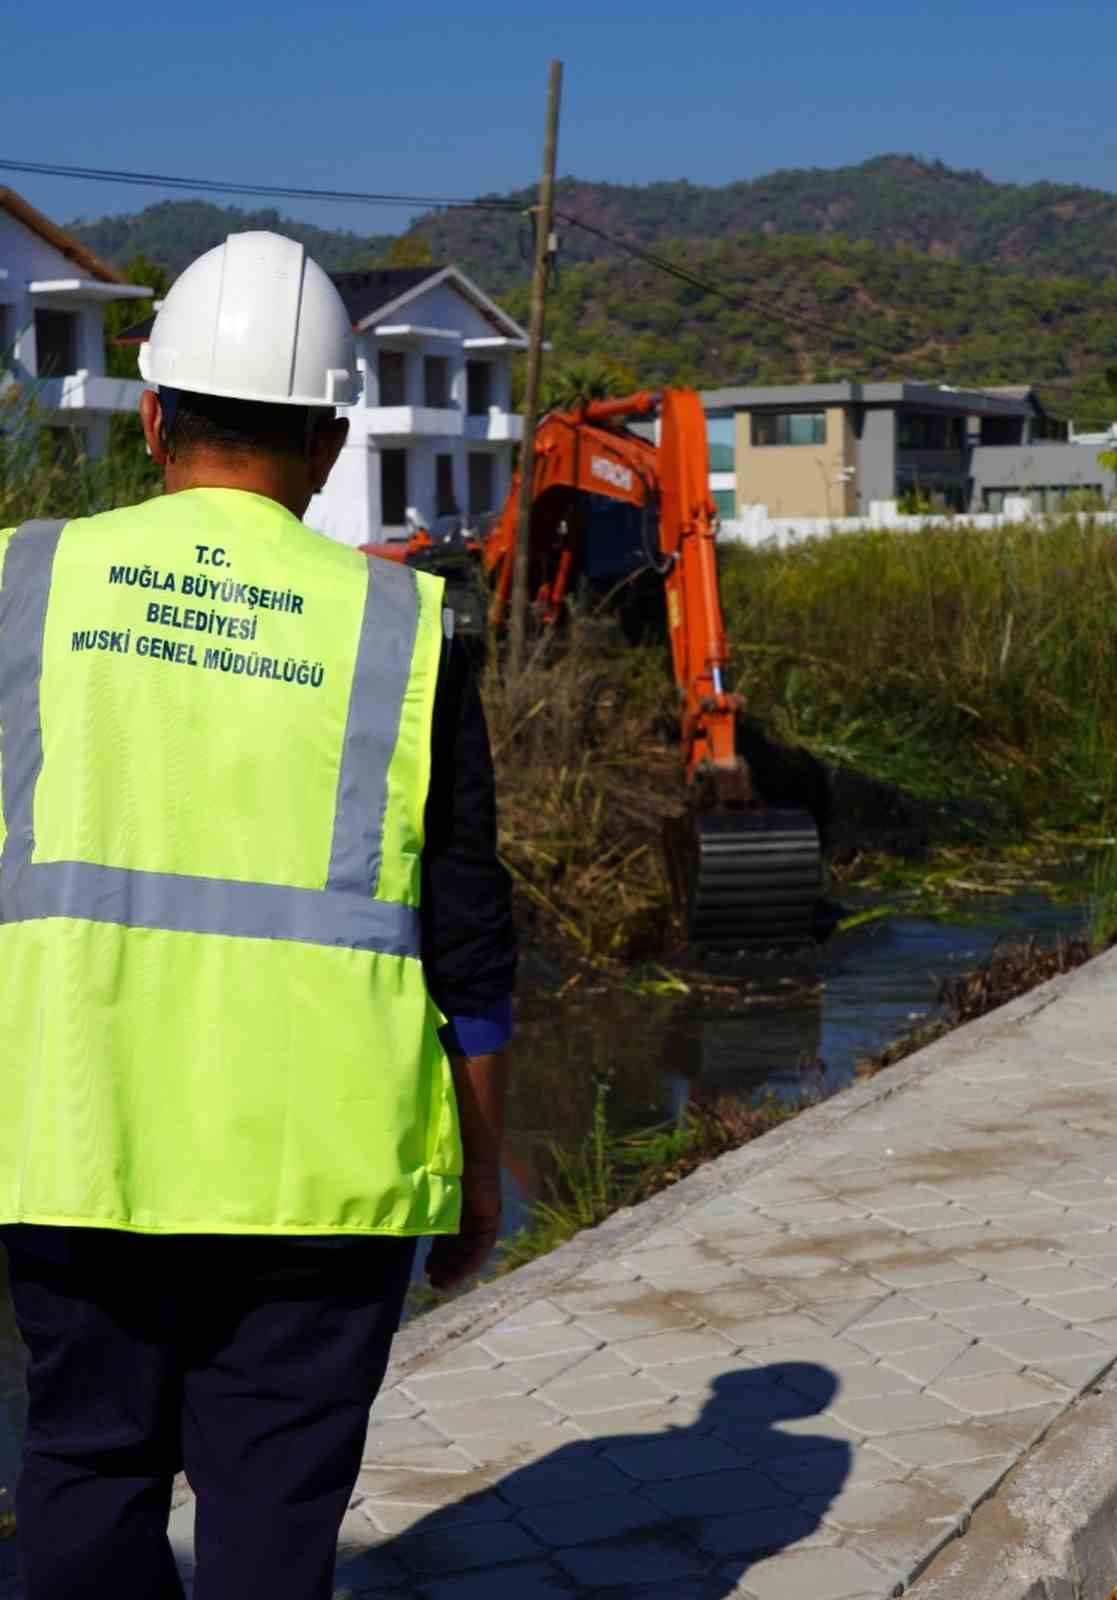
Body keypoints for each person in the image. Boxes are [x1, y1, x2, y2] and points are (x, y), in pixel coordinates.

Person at [0, 231, 516, 1600]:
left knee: (83, 1472)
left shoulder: (25, 585)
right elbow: (467, 927)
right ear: (335, 440)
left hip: (72, 1140)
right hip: (322, 1173)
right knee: (273, 1511)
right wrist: (479, 1161)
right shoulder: (404, 625)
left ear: (153, 415)